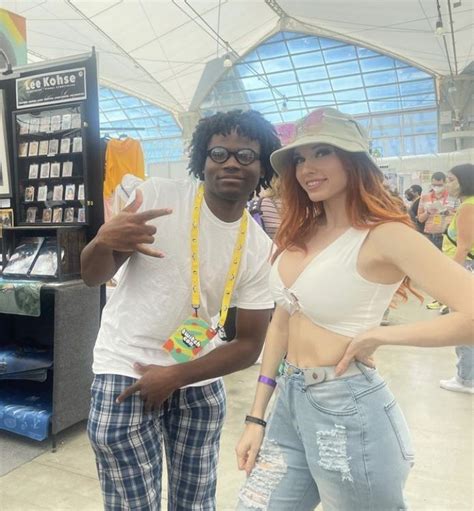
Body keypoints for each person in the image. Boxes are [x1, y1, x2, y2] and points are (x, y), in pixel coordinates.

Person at [235, 107, 473, 511]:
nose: (307, 167)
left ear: (355, 159)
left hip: (347, 409)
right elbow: (280, 324)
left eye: (322, 151)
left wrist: (380, 335)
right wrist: (256, 416)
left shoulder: (386, 236)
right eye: (299, 158)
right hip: (287, 404)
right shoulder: (302, 230)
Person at [81, 109, 281, 511]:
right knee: (131, 505)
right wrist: (102, 241)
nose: (230, 162)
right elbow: (92, 276)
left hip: (196, 378)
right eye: (219, 152)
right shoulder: (158, 198)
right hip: (125, 371)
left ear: (261, 169)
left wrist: (175, 375)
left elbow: (249, 344)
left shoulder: (258, 246)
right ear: (202, 160)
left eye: (245, 156)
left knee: (196, 503)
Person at [439, 163, 474, 394]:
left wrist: (449, 280)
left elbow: (463, 247)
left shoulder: (467, 208)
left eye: (452, 180)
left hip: (465, 271)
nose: (448, 185)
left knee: (463, 325)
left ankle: (466, 378)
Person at [417, 171, 455, 250]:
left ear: (445, 183)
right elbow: (420, 219)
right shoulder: (424, 197)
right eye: (434, 185)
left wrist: (447, 212)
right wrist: (428, 212)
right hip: (429, 235)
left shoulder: (453, 197)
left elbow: (458, 216)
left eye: (439, 185)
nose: (436, 187)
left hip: (446, 235)